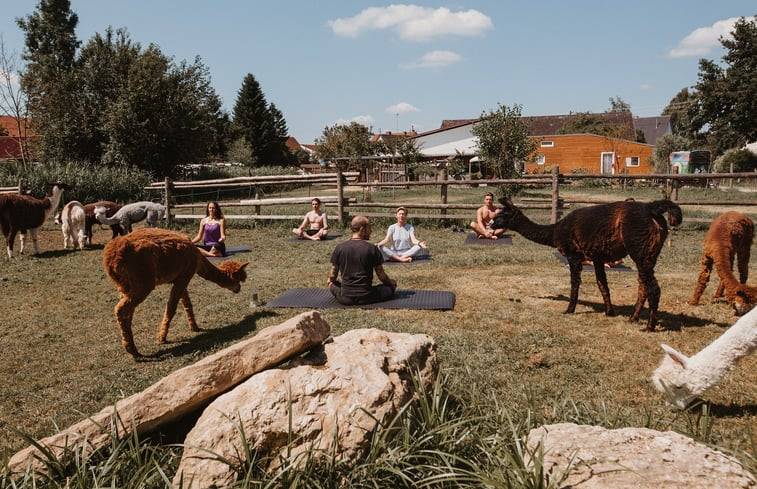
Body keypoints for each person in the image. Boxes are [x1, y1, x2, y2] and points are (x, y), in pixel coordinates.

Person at [327, 215, 397, 305]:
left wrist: (330, 281)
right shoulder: (372, 248)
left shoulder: (339, 248)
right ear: (362, 230)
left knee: (331, 284)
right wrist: (391, 283)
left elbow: (332, 276)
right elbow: (381, 276)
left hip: (345, 298)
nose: (371, 231)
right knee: (391, 286)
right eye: (369, 228)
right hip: (367, 297)